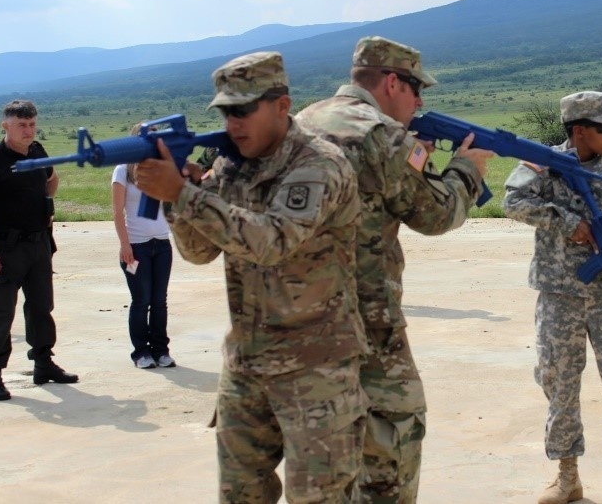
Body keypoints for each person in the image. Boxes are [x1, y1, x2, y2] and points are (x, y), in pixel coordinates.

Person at [134, 51, 368, 503]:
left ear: (282, 105)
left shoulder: (319, 164)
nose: (232, 122)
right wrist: (176, 198)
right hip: (247, 363)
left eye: (243, 109)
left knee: (318, 496)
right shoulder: (231, 165)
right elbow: (200, 252)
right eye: (224, 111)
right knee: (239, 494)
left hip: (316, 368)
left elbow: (272, 242)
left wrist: (184, 194)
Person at [295, 36, 493, 503]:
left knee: (321, 451)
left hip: (298, 321)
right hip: (366, 323)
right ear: (390, 81)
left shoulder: (301, 121)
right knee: (391, 442)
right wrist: (468, 167)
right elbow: (437, 215)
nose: (420, 100)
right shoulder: (382, 135)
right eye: (414, 87)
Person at [502, 91, 602, 504]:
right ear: (580, 131)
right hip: (559, 296)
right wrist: (568, 222)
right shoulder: (542, 162)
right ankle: (567, 477)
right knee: (559, 387)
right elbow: (512, 200)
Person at [0, 100, 78, 402]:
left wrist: (46, 199)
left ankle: (43, 364)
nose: (28, 130)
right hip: (6, 247)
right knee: (0, 313)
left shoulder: (37, 151)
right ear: (5, 125)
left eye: (32, 124)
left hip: (39, 244)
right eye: (22, 125)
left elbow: (50, 179)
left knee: (41, 307)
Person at [111, 123, 175, 369]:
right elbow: (117, 213)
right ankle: (141, 352)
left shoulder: (160, 170)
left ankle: (161, 351)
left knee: (160, 301)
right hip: (136, 247)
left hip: (162, 244)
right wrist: (124, 244)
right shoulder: (122, 170)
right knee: (141, 301)